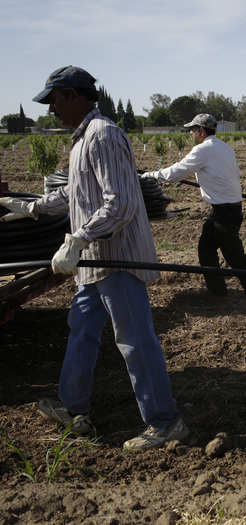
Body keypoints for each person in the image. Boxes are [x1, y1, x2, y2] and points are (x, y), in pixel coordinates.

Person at [0, 65, 188, 450]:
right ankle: (73, 406)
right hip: (94, 263)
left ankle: (165, 422)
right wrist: (30, 207)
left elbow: (119, 204)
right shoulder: (81, 140)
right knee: (82, 330)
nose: (51, 109)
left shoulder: (103, 135)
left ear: (74, 95)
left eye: (54, 100)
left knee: (135, 341)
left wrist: (77, 239)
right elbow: (75, 195)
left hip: (117, 259)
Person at [140, 114, 246, 299]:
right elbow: (221, 172)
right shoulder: (224, 148)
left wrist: (149, 175)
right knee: (211, 249)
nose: (191, 133)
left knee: (232, 255)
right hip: (232, 208)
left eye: (193, 130)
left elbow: (176, 171)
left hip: (223, 211)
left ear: (201, 131)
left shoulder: (203, 150)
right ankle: (222, 290)